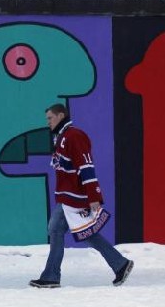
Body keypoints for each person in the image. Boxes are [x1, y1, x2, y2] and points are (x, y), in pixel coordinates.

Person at [29, 104, 134, 288]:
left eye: (50, 118)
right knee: (79, 233)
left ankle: (52, 276)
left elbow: (86, 167)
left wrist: (93, 195)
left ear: (61, 115)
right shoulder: (61, 137)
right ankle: (120, 264)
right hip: (67, 197)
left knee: (65, 231)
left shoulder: (74, 136)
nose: (48, 122)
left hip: (74, 198)